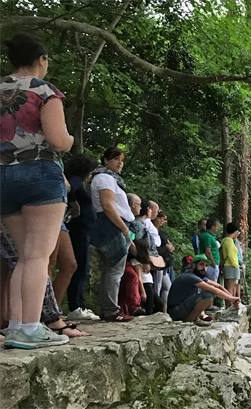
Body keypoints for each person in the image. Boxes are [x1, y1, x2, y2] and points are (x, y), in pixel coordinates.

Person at [1, 34, 74, 349]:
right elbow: (58, 140)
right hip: (40, 175)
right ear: (41, 60)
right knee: (37, 256)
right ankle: (31, 328)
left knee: (21, 257)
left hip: (3, 177)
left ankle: (18, 324)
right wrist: (70, 140)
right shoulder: (44, 91)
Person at [89, 146, 133, 322]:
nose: (120, 163)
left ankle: (110, 308)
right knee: (114, 269)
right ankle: (111, 310)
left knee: (113, 269)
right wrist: (124, 228)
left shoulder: (110, 179)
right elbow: (108, 206)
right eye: (116, 159)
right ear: (106, 160)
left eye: (122, 160)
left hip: (113, 224)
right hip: (111, 225)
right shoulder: (104, 178)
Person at [64, 154, 100, 320]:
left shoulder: (79, 182)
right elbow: (70, 189)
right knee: (80, 266)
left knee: (81, 267)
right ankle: (75, 305)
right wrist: (73, 203)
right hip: (78, 229)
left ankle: (79, 304)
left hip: (83, 228)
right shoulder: (76, 180)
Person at [167, 254, 238, 325]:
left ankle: (197, 317)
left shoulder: (198, 276)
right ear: (194, 266)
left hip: (180, 308)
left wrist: (233, 298)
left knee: (204, 294)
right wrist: (232, 299)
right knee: (208, 295)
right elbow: (215, 291)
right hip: (175, 311)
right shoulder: (190, 277)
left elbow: (219, 286)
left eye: (206, 265)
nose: (204, 268)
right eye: (201, 265)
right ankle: (189, 321)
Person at [155, 211, 174, 306]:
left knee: (167, 287)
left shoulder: (162, 233)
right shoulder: (153, 231)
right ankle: (156, 309)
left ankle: (164, 310)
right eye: (163, 219)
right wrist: (167, 248)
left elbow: (170, 246)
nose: (165, 222)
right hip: (157, 262)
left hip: (165, 263)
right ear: (158, 218)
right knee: (157, 287)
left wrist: (169, 248)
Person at [220, 223, 241, 307]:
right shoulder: (229, 241)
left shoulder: (225, 240)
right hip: (231, 266)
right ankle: (229, 306)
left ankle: (229, 305)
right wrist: (237, 266)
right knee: (230, 288)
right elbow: (231, 256)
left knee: (228, 286)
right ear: (235, 231)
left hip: (227, 266)